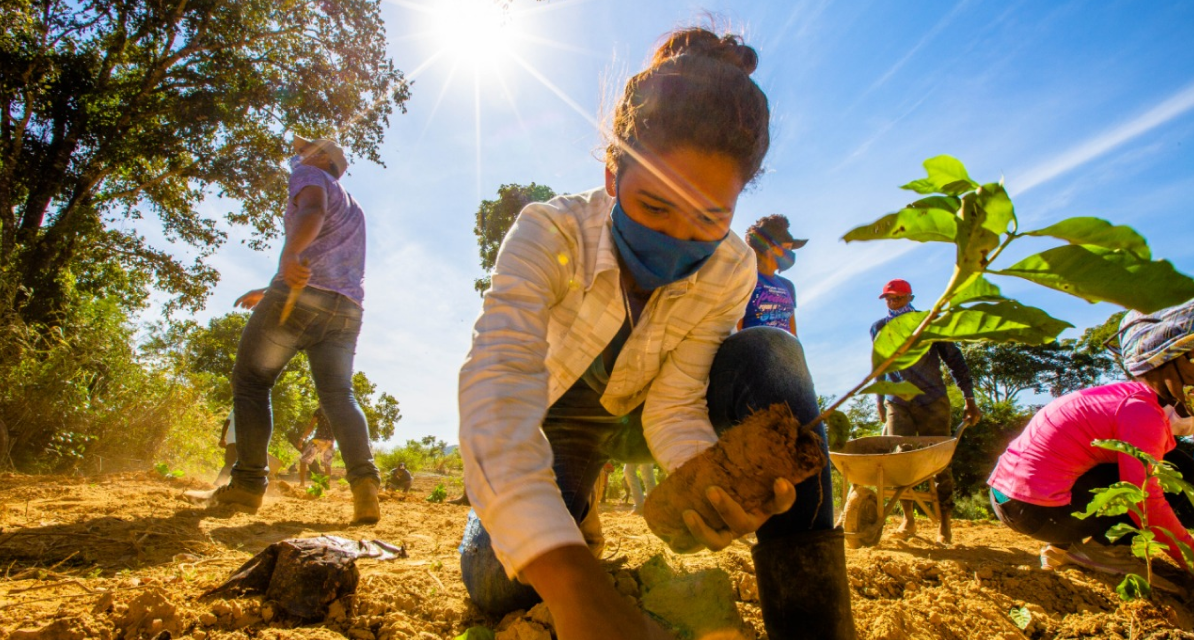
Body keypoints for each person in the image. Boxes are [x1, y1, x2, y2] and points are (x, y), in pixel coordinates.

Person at [457, 27, 855, 640]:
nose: (678, 239)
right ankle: (574, 503)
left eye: (709, 219)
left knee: (772, 354)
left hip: (644, 417)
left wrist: (715, 480)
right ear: (614, 175)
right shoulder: (549, 233)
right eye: (654, 208)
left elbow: (675, 401)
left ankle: (812, 619)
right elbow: (497, 389)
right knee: (496, 581)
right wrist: (574, 583)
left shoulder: (733, 269)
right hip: (561, 423)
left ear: (737, 204)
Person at [184, 136, 382, 525]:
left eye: (309, 146)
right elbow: (328, 257)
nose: (299, 149)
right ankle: (365, 488)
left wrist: (288, 256)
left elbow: (311, 211)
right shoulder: (354, 206)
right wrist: (273, 282)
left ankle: (246, 485)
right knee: (339, 395)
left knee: (252, 380)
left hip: (301, 298)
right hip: (346, 309)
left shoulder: (310, 175)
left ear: (323, 158)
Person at [987, 300, 1194, 570]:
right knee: (1171, 474)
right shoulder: (1144, 415)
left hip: (1012, 500)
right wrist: (1188, 557)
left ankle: (1064, 547)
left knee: (1166, 460)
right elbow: (1145, 501)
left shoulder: (1128, 399)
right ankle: (1104, 550)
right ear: (1165, 361)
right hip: (1033, 513)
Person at [869, 278, 981, 544]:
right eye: (888, 298)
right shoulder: (879, 328)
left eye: (897, 297)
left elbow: (955, 361)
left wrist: (969, 398)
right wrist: (879, 400)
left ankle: (944, 523)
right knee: (900, 460)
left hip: (932, 400)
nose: (893, 302)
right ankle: (908, 519)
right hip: (898, 401)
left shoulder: (929, 323)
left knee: (940, 461)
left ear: (910, 298)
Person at [738, 214, 807, 335]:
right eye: (787, 247)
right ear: (770, 246)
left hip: (783, 351)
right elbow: (735, 328)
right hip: (751, 351)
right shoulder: (744, 279)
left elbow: (793, 334)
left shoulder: (787, 285)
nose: (790, 254)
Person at [297, 408, 336, 486]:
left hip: (318, 440)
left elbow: (311, 426)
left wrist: (302, 439)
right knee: (327, 465)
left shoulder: (319, 411)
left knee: (303, 460)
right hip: (328, 442)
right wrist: (333, 442)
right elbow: (336, 428)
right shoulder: (334, 411)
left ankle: (302, 484)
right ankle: (327, 485)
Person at [215, 412, 237, 487]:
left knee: (229, 463)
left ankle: (219, 483)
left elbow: (227, 422)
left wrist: (222, 438)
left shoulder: (237, 407)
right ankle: (220, 483)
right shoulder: (254, 409)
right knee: (239, 464)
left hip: (231, 440)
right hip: (242, 441)